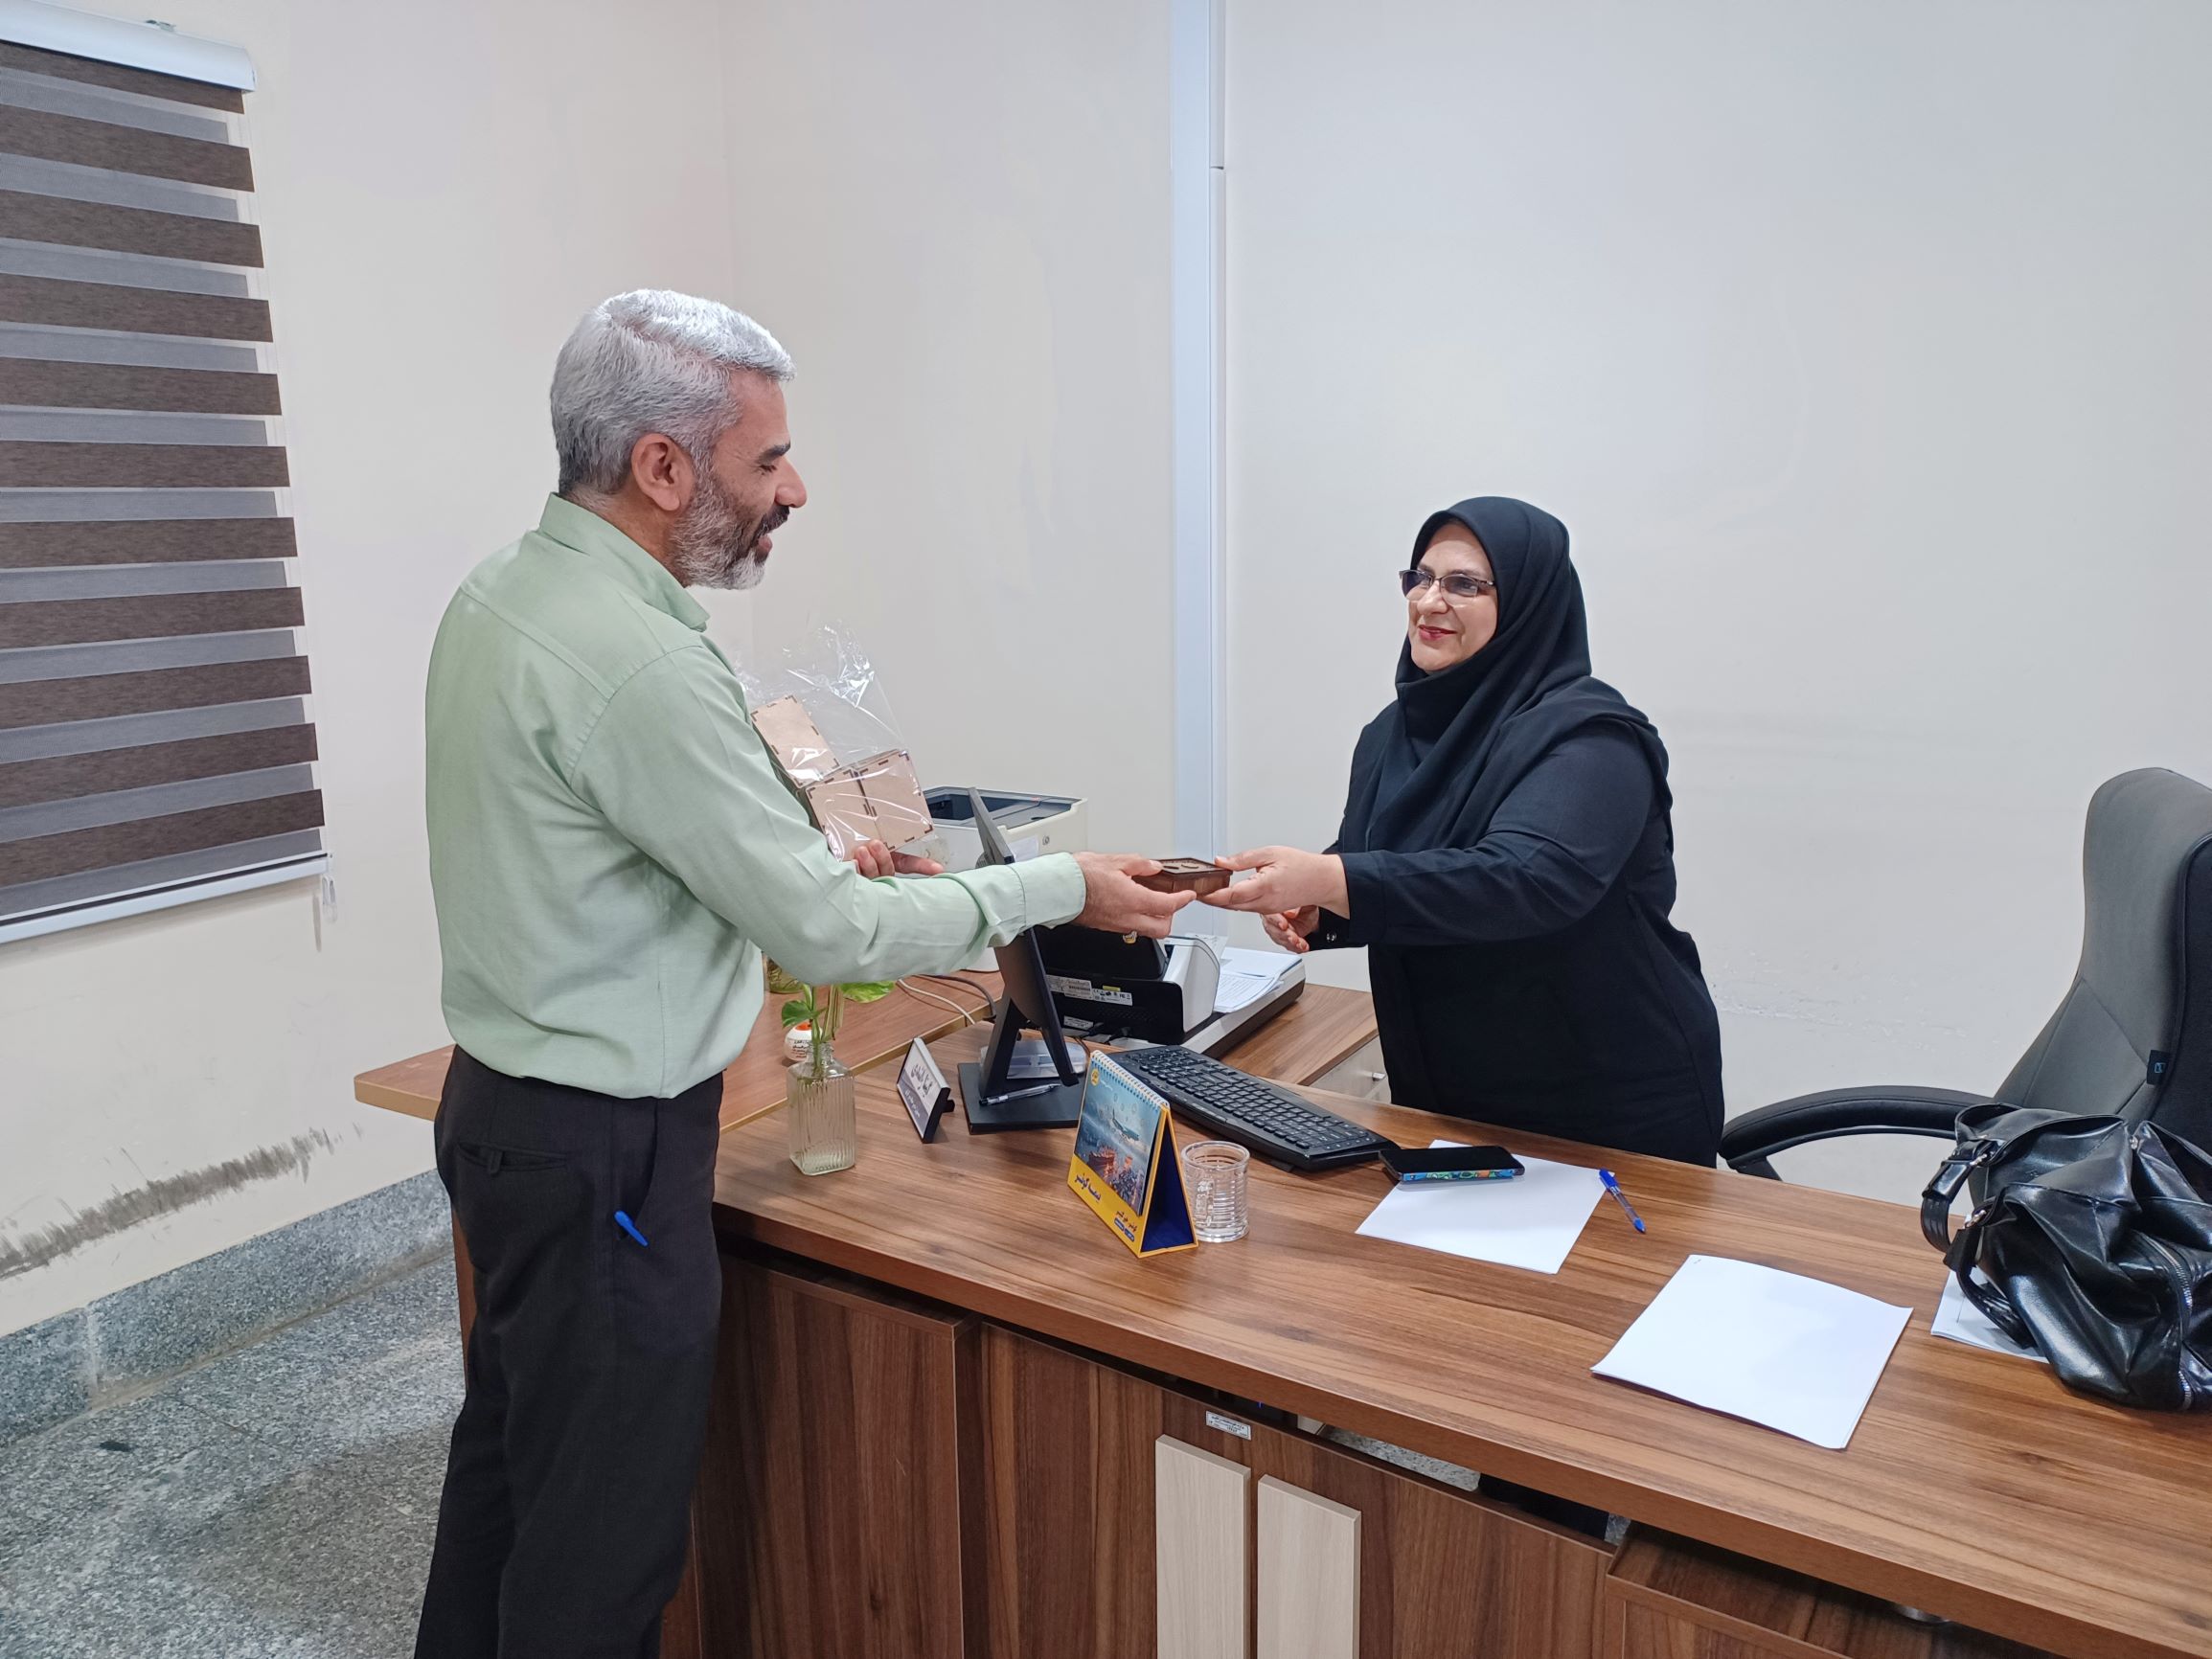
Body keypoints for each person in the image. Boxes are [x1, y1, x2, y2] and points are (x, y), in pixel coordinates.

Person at [416, 289, 1191, 1659]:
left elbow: (614, 849)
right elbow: (831, 937)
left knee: (510, 1490)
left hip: (502, 1117)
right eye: (766, 459)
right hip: (606, 1158)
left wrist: (794, 854)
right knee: (598, 1561)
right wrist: (1061, 886)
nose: (795, 489)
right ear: (663, 466)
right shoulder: (639, 661)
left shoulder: (505, 596)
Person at [1204, 495, 1722, 1167]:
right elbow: (1379, 861)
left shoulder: (1591, 739)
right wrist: (1320, 908)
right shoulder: (1391, 733)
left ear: (1529, 602)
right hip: (1445, 1089)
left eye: (1464, 584)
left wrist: (1334, 879)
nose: (1429, 602)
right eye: (1419, 578)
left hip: (1601, 1104)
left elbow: (1527, 880)